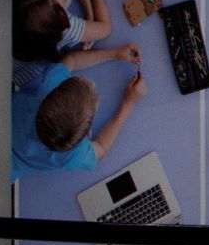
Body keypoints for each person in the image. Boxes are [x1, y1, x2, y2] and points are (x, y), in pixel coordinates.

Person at [12, 0, 135, 95]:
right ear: (60, 18)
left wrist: (89, 14)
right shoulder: (64, 28)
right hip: (27, 74)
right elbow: (106, 28)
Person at [11, 64, 146, 174]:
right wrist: (129, 102)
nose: (92, 84)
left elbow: (70, 60)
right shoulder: (74, 154)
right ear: (87, 132)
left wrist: (115, 54)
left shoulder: (46, 87)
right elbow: (101, 147)